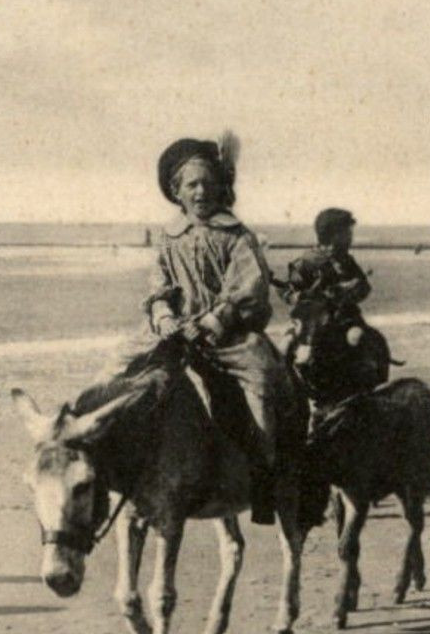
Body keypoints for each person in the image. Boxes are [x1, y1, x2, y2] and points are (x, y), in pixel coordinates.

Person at [93, 135, 315, 526]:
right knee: (115, 371)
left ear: (220, 186)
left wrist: (216, 320)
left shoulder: (237, 236)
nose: (201, 191)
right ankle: (104, 466)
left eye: (207, 182)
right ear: (177, 192)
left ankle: (263, 474)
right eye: (191, 185)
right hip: (175, 332)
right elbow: (158, 284)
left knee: (264, 382)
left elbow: (248, 288)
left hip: (228, 337)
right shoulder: (170, 236)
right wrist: (162, 315)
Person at [285, 208, 373, 347]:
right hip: (309, 323)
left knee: (359, 339)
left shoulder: (346, 261)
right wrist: (302, 296)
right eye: (348, 232)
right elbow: (290, 292)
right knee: (284, 347)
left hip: (345, 322)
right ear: (335, 235)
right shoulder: (306, 262)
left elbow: (364, 289)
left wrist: (349, 289)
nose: (351, 237)